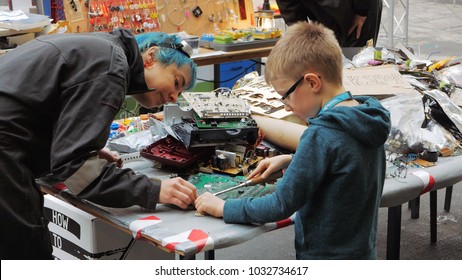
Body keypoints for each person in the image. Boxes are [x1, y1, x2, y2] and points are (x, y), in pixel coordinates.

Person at [195, 22, 391, 259]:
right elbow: (345, 162)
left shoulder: (321, 134)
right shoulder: (366, 118)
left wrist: (225, 207)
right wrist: (292, 159)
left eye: (285, 95)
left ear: (312, 82)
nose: (284, 105)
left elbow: (281, 204)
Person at [0, 29, 198, 259]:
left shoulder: (101, 49)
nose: (174, 97)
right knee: (25, 252)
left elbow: (39, 108)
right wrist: (153, 190)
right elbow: (76, 171)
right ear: (151, 57)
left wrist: (83, 147)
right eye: (176, 82)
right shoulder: (112, 67)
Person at [275, 0, 382, 47]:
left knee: (357, 60)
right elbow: (289, 6)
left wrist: (362, 12)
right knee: (324, 60)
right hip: (318, 11)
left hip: (357, 11)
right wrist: (300, 30)